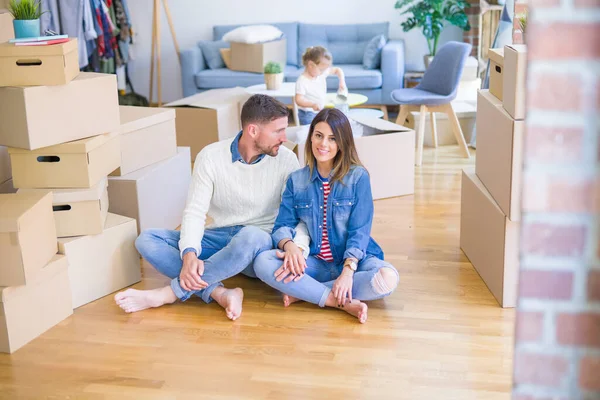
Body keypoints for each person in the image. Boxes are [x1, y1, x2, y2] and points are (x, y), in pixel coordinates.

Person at [114, 95, 309, 320]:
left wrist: (298, 247)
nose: (284, 138)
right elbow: (195, 212)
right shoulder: (211, 157)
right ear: (253, 130)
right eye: (278, 131)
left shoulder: (286, 160)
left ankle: (170, 293)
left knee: (252, 236)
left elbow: (297, 215)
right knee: (146, 240)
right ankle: (220, 292)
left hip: (260, 244)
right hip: (220, 238)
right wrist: (189, 253)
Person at [253, 108, 399, 324]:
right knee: (263, 261)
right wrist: (289, 246)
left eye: (332, 139)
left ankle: (307, 293)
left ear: (342, 143)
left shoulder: (357, 177)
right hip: (315, 263)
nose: (323, 144)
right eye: (319, 136)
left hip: (353, 261)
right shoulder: (297, 180)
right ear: (311, 137)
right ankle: (336, 299)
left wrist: (348, 272)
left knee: (387, 279)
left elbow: (360, 231)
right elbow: (282, 226)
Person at [295, 46, 347, 126]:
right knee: (308, 133)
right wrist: (312, 104)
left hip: (319, 111)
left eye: (325, 70)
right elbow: (298, 99)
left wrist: (342, 81)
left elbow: (337, 70)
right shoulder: (302, 81)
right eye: (321, 70)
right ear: (310, 65)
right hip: (307, 114)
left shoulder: (320, 74)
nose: (323, 72)